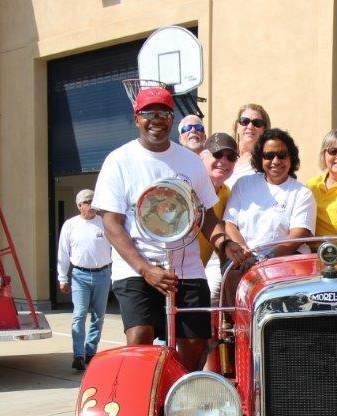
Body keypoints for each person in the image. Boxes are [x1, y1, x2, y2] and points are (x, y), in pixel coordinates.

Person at [93, 86, 246, 370]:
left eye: (163, 113)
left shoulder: (190, 161)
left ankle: (179, 400)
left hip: (186, 267)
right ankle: (148, 402)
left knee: (195, 344)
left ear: (172, 118)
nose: (156, 119)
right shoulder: (118, 161)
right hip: (137, 266)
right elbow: (112, 224)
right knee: (140, 338)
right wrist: (145, 269)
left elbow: (207, 216)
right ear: (136, 117)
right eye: (148, 113)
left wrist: (225, 243)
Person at [224, 128, 316, 260]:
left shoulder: (302, 193)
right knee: (231, 277)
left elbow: (299, 235)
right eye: (269, 155)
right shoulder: (243, 184)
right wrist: (244, 253)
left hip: (284, 261)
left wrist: (266, 259)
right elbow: (230, 224)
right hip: (243, 258)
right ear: (260, 158)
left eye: (282, 155)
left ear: (291, 157)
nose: (276, 161)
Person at [57, 188, 111, 372]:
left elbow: (118, 248)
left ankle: (90, 352)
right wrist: (62, 277)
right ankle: (78, 354)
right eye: (88, 202)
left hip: (103, 274)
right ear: (80, 206)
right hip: (80, 275)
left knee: (98, 316)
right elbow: (63, 253)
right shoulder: (70, 225)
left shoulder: (104, 223)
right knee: (79, 314)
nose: (91, 205)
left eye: (93, 201)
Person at [196, 133, 238, 304]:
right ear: (202, 156)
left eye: (231, 157)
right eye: (217, 154)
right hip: (168, 272)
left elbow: (222, 239)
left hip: (195, 276)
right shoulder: (187, 188)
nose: (224, 161)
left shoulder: (227, 194)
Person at [228, 103, 271, 188]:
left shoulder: (266, 161)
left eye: (257, 123)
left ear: (264, 129)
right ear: (237, 126)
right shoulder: (223, 154)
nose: (250, 126)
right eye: (245, 121)